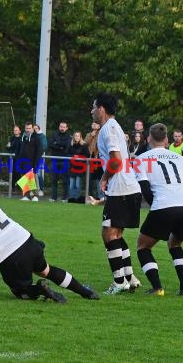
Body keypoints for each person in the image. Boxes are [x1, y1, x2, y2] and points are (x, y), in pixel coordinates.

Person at [0, 174, 99, 302]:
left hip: (11, 257)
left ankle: (40, 289)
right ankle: (86, 292)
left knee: (21, 292)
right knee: (46, 270)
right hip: (27, 240)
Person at [135, 123, 183, 296]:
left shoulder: (142, 159)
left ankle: (157, 288)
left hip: (164, 205)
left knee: (143, 246)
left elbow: (145, 189)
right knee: (175, 244)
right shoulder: (179, 158)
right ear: (167, 140)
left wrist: (157, 207)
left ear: (148, 139)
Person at [91, 92, 142, 294]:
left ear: (102, 109)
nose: (92, 111)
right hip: (128, 186)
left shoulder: (109, 128)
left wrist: (104, 178)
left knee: (108, 233)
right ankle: (130, 278)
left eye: (94, 107)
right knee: (117, 233)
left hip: (120, 187)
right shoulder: (114, 126)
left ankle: (119, 281)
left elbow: (115, 160)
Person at [18, 121, 42, 201]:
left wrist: (35, 163)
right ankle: (26, 195)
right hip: (22, 162)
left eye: (29, 128)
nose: (28, 130)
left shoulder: (36, 138)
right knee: (24, 179)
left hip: (32, 162)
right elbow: (20, 149)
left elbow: (39, 151)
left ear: (32, 128)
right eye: (26, 128)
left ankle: (36, 195)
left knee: (32, 179)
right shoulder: (23, 137)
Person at [48, 121, 71, 203]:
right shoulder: (54, 134)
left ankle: (65, 198)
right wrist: (60, 146)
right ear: (59, 127)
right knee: (54, 180)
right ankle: (53, 198)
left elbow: (67, 146)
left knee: (65, 180)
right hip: (54, 160)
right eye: (61, 126)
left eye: (64, 127)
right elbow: (50, 144)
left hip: (65, 161)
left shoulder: (69, 136)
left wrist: (57, 143)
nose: (62, 128)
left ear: (67, 128)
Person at [84, 121, 103, 204]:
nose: (94, 125)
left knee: (99, 178)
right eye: (93, 124)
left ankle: (100, 197)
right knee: (90, 180)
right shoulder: (89, 134)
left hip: (99, 159)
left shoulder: (102, 133)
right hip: (90, 159)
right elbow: (85, 143)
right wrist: (92, 135)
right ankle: (91, 197)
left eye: (96, 124)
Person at [68, 131, 89, 202]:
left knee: (77, 184)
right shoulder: (71, 145)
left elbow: (87, 155)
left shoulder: (84, 145)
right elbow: (67, 154)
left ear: (80, 137)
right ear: (74, 137)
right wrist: (73, 156)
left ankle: (77, 199)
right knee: (71, 185)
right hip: (72, 167)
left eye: (78, 136)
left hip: (80, 167)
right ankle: (72, 198)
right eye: (75, 136)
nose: (77, 137)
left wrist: (79, 157)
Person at [7, 125, 23, 193]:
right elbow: (8, 147)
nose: (15, 131)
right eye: (14, 130)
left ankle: (20, 188)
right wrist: (8, 146)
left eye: (17, 130)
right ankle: (12, 188)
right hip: (12, 159)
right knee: (12, 174)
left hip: (20, 159)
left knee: (19, 174)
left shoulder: (22, 138)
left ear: (19, 131)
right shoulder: (11, 138)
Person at [34, 124, 48, 196]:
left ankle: (41, 189)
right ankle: (33, 190)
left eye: (36, 128)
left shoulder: (42, 136)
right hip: (31, 158)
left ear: (39, 129)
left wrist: (37, 152)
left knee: (39, 174)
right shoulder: (31, 136)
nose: (35, 130)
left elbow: (44, 146)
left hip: (39, 157)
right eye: (34, 128)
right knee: (31, 174)